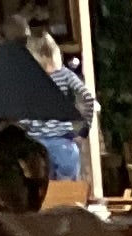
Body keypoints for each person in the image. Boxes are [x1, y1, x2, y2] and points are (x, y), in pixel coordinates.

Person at [21, 21, 95, 182]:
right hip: (64, 143)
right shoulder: (65, 75)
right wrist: (83, 131)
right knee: (66, 196)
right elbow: (88, 98)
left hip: (37, 146)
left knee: (43, 195)